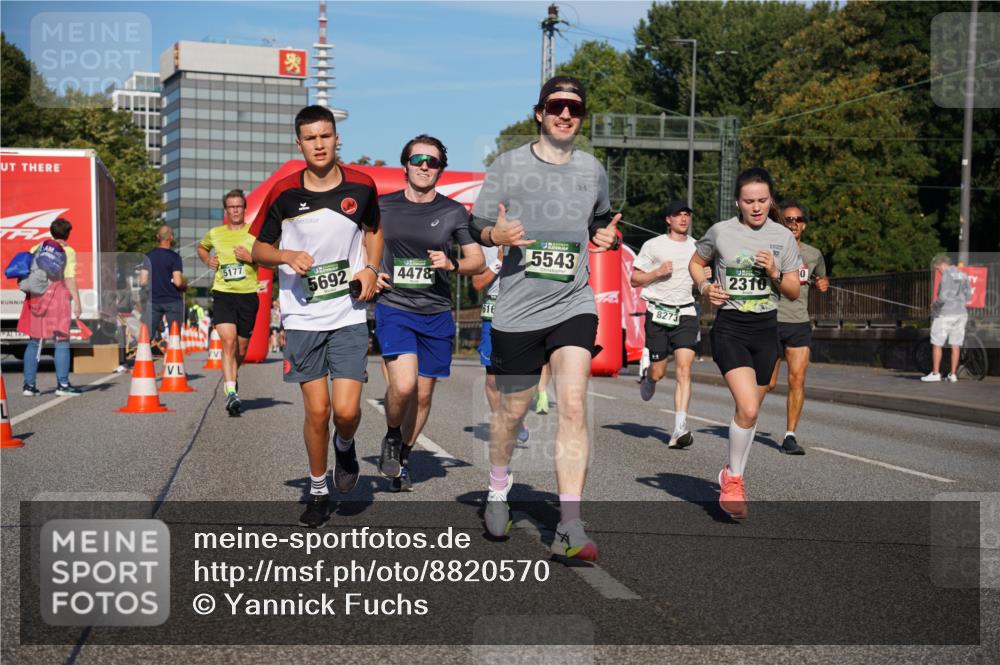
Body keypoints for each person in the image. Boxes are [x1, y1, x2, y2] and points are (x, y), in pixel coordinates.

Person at [470, 76, 620, 560]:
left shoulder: (592, 169)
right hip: (518, 309)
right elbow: (477, 224)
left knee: (572, 405)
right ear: (540, 113)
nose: (565, 114)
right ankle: (498, 488)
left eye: (574, 108)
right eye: (556, 106)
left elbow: (600, 220)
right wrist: (495, 236)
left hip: (573, 302)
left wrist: (605, 236)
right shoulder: (509, 165)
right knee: (512, 413)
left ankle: (570, 524)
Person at [252, 105, 383, 528]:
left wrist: (370, 268)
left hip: (347, 312)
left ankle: (345, 445)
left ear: (336, 138)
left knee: (345, 412)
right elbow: (258, 249)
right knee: (317, 410)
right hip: (302, 317)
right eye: (311, 138)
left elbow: (374, 231)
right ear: (300, 144)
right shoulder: (283, 192)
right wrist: (286, 255)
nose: (319, 144)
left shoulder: (362, 186)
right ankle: (318, 489)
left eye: (325, 136)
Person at [374, 134, 485, 491]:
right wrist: (370, 271)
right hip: (395, 306)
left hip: (436, 311)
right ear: (405, 165)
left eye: (432, 161)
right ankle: (392, 435)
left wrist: (452, 264)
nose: (424, 166)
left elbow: (477, 261)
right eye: (417, 160)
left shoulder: (453, 212)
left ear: (440, 169)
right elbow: (359, 245)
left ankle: (403, 458)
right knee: (404, 385)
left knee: (423, 395)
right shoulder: (382, 206)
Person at [689, 167, 801, 520]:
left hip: (767, 330)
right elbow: (696, 262)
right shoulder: (721, 231)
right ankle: (734, 481)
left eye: (762, 200)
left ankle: (731, 473)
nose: (756, 207)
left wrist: (774, 272)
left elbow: (793, 291)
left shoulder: (783, 237)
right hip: (731, 328)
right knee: (749, 408)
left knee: (749, 413)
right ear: (737, 201)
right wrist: (705, 288)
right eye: (749, 201)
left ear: (771, 200)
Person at [631, 200, 701, 448]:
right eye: (678, 215)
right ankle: (649, 378)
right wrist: (657, 273)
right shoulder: (654, 245)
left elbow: (702, 275)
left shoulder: (698, 247)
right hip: (658, 311)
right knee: (659, 372)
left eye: (686, 214)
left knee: (684, 369)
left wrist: (704, 277)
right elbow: (634, 279)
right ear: (668, 219)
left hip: (686, 312)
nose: (683, 218)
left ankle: (679, 429)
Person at [766, 200, 829, 454]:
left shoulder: (813, 254)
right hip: (770, 320)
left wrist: (823, 284)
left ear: (804, 225)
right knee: (767, 383)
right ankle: (746, 419)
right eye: (788, 219)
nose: (793, 224)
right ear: (780, 222)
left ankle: (790, 436)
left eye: (798, 220)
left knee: (797, 379)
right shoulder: (769, 250)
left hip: (799, 323)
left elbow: (821, 278)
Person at [197, 189, 261, 416]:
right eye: (231, 207)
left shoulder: (254, 233)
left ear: (244, 208)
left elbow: (271, 261)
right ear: (225, 210)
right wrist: (208, 259)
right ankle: (231, 392)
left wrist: (251, 258)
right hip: (223, 293)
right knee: (228, 341)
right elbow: (201, 248)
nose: (235, 210)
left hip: (248, 295)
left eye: (239, 206)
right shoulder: (215, 233)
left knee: (241, 348)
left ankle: (233, 375)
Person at [473, 245, 530, 445]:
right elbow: (477, 283)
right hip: (493, 311)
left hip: (521, 309)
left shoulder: (528, 238)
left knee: (517, 373)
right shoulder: (483, 245)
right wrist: (499, 261)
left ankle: (515, 416)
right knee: (492, 379)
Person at [18, 218, 83, 396]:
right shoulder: (68, 251)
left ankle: (29, 386)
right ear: (68, 234)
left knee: (34, 341)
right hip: (57, 297)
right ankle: (63, 385)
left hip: (36, 297)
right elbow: (69, 278)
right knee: (61, 341)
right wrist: (77, 302)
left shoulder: (37, 247)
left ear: (52, 232)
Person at [922, 254, 971, 382]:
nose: (938, 272)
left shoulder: (946, 276)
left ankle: (935, 373)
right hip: (961, 314)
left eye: (938, 269)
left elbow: (943, 298)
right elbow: (968, 296)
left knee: (937, 343)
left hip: (946, 314)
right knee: (956, 344)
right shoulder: (963, 275)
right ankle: (953, 375)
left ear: (943, 264)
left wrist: (934, 306)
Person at [140, 225, 186, 347]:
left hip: (153, 301)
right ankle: (173, 358)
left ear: (157, 237)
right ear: (171, 237)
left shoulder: (149, 256)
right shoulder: (175, 257)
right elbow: (178, 282)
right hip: (172, 301)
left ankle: (142, 357)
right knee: (174, 335)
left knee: (147, 336)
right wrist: (184, 284)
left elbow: (143, 281)